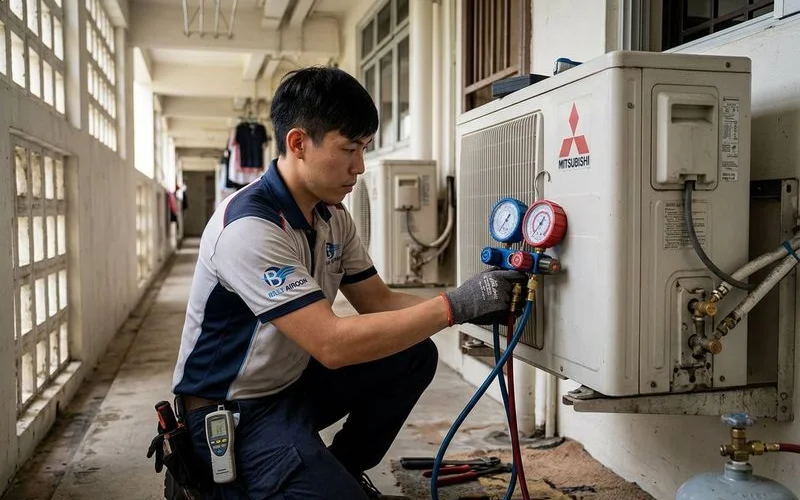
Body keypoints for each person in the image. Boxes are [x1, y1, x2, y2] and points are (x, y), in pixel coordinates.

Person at [170, 66, 524, 500]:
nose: (359, 166)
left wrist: (472, 299)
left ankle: (338, 469)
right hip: (233, 412)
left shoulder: (332, 216)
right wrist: (452, 306)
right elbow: (332, 344)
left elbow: (377, 301)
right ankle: (217, 484)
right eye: (349, 148)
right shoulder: (248, 227)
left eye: (365, 148)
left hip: (291, 385)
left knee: (413, 354)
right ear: (298, 143)